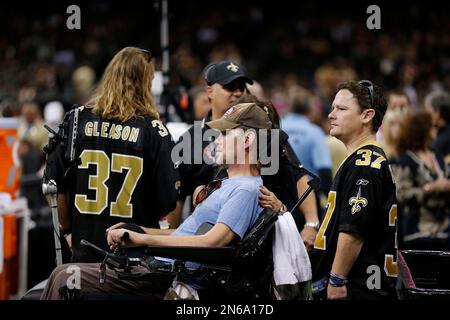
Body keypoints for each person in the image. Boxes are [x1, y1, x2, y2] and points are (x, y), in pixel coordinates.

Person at [40, 102, 270, 300]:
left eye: (225, 134)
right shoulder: (229, 184)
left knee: (64, 277)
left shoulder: (245, 189)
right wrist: (137, 231)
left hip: (162, 278)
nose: (217, 141)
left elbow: (212, 242)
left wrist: (144, 239)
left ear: (248, 140)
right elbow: (186, 234)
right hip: (156, 268)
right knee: (61, 274)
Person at [46, 47, 179, 262]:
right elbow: (168, 200)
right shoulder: (155, 130)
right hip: (134, 260)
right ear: (144, 83)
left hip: (83, 254)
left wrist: (69, 231)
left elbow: (54, 188)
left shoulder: (75, 120)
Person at [312, 80, 398, 300]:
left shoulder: (364, 164)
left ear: (367, 115)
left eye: (341, 108)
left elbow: (353, 231)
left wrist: (337, 279)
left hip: (358, 288)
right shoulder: (362, 160)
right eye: (333, 108)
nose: (331, 115)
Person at [392, 111, 450, 250]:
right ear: (423, 130)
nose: (436, 129)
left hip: (444, 229)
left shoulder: (436, 156)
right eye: (433, 127)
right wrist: (431, 188)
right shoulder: (405, 160)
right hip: (417, 229)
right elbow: (401, 194)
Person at [281, 89, 333, 201]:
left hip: (279, 196)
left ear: (290, 107)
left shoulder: (277, 128)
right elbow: (324, 170)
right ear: (310, 109)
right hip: (307, 196)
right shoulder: (314, 132)